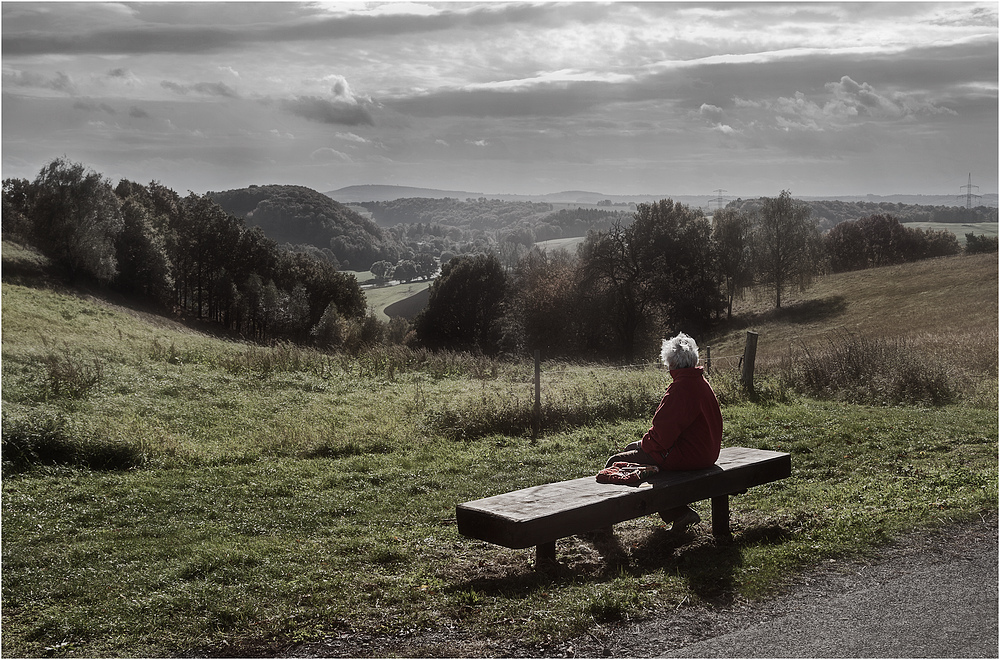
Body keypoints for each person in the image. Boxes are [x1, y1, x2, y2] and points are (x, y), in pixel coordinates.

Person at [604, 332, 723, 531]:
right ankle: (679, 512)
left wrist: (642, 445)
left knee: (615, 463)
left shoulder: (680, 389)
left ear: (671, 363)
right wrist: (642, 446)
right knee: (640, 456)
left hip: (690, 456)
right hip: (706, 453)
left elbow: (661, 437)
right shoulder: (701, 383)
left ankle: (601, 524)